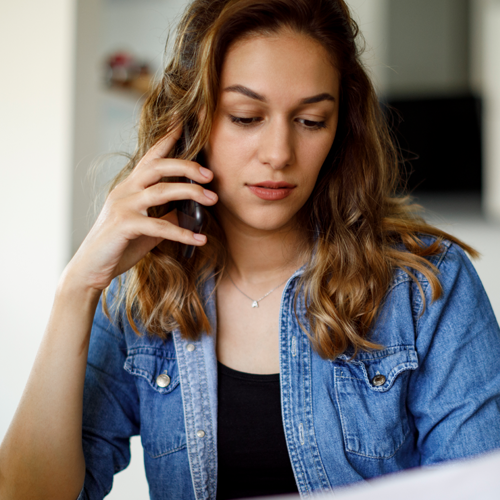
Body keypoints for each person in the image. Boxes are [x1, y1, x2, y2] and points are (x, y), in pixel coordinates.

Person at [1, 0, 500, 499]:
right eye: (245, 117)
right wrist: (77, 288)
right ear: (191, 122)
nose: (279, 153)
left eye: (310, 121)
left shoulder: (425, 288)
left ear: (340, 131)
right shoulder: (143, 295)